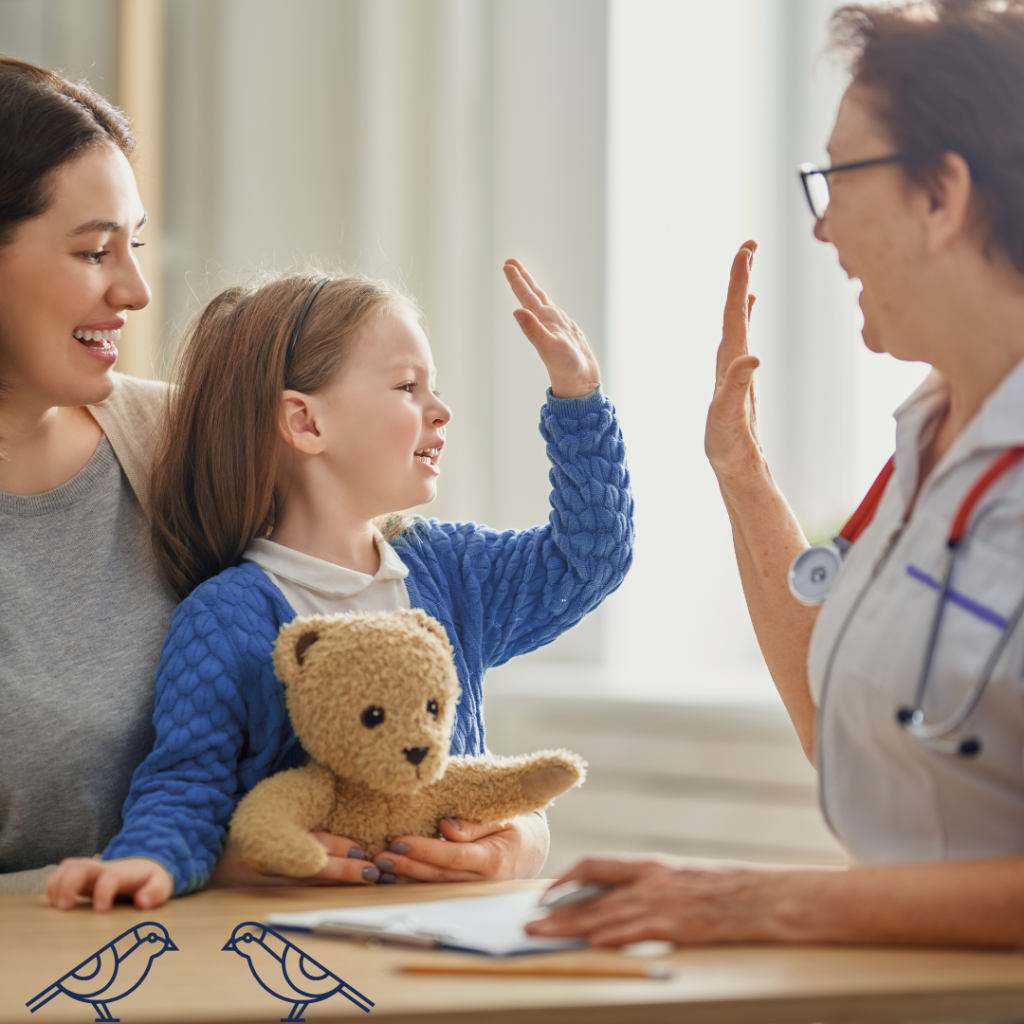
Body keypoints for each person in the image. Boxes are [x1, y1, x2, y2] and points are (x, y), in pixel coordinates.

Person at [529, 0, 1024, 948]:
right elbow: (839, 728)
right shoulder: (932, 445)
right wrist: (741, 471)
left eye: (840, 176)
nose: (823, 226)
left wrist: (761, 902)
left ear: (942, 196)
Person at [46, 261, 633, 910]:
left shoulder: (452, 570)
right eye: (408, 386)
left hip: (448, 941)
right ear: (305, 422)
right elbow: (189, 781)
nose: (440, 411)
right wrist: (146, 862)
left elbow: (592, 555)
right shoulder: (224, 619)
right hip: (303, 954)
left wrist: (579, 401)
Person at [0, 56, 173, 895]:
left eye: (133, 245)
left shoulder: (178, 442)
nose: (135, 289)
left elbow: (413, 626)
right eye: (96, 250)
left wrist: (509, 829)